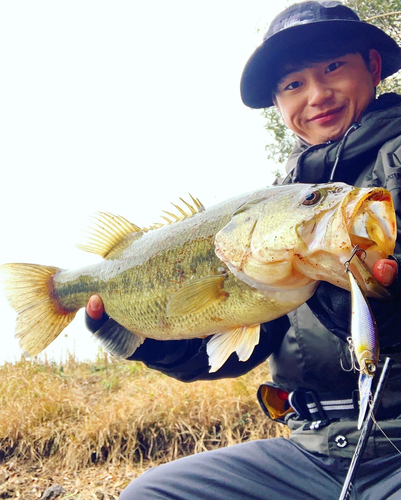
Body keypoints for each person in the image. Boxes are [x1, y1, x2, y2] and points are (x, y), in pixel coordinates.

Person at [86, 2, 401, 498]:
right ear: (278, 104)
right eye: (293, 84)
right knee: (152, 494)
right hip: (311, 452)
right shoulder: (273, 210)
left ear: (374, 66)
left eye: (333, 67)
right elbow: (233, 344)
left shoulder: (371, 189)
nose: (317, 94)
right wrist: (138, 335)